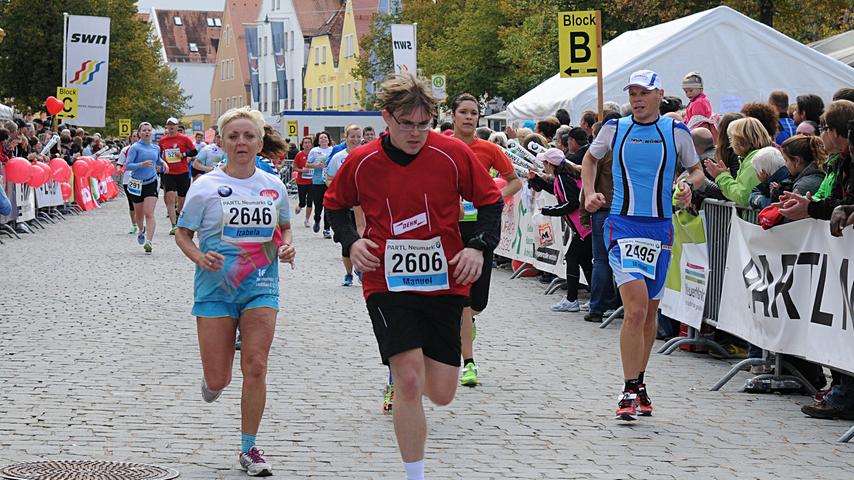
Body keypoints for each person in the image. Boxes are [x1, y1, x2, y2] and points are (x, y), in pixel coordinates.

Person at [324, 73, 503, 480]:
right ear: (387, 118)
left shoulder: (453, 153)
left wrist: (477, 246)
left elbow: (490, 201)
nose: (416, 133)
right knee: (407, 381)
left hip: (445, 281)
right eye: (406, 124)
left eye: (424, 124)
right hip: (386, 281)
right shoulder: (363, 160)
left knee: (440, 393)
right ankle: (414, 474)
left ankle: (414, 368)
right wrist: (352, 242)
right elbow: (335, 206)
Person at [174, 107, 295, 477]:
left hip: (261, 285)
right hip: (215, 287)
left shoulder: (273, 185)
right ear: (222, 142)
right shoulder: (205, 186)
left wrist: (287, 246)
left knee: (256, 364)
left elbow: (285, 228)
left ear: (260, 142)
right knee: (218, 379)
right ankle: (213, 381)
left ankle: (249, 447)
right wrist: (199, 257)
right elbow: (183, 234)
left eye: (248, 136)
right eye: (233, 137)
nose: (241, 142)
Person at [581, 70, 703, 421]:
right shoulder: (615, 128)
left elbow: (697, 171)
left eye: (644, 92)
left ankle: (640, 381)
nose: (637, 99)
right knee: (634, 310)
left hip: (661, 229)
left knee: (650, 312)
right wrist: (589, 192)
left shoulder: (676, 132)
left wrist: (686, 185)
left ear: (659, 94)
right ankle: (627, 387)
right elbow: (590, 158)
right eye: (632, 92)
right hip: (622, 226)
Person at [451, 92, 522, 387]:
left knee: (478, 301)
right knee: (463, 299)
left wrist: (492, 198)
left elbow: (515, 181)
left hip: (483, 226)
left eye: (474, 113)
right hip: (452, 228)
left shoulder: (489, 149)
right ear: (453, 116)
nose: (469, 117)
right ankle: (468, 362)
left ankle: (469, 322)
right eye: (464, 112)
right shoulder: (442, 145)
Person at [529, 148, 591, 312]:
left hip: (584, 227)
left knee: (572, 258)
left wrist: (548, 210)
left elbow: (571, 203)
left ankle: (572, 300)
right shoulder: (563, 176)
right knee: (584, 261)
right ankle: (595, 298)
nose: (543, 165)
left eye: (544, 162)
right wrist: (537, 181)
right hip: (584, 227)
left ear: (550, 164)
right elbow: (555, 191)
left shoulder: (563, 178)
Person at [779, 99, 854, 222]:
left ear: (834, 132)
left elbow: (847, 203)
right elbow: (834, 199)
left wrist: (810, 207)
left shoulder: (846, 159)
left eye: (823, 128)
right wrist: (809, 203)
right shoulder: (841, 159)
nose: (820, 134)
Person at [580, 121, 621, 323]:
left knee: (602, 260)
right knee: (621, 262)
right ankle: (617, 304)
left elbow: (589, 185)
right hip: (618, 209)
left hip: (603, 209)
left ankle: (597, 307)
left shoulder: (599, 154)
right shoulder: (623, 150)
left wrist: (584, 212)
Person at [326, 124, 365, 286]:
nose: (355, 139)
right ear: (346, 138)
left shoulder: (367, 155)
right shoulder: (338, 158)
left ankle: (361, 270)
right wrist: (341, 190)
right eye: (352, 136)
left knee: (363, 237)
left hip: (363, 206)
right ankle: (349, 273)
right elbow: (328, 180)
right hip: (343, 206)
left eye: (358, 136)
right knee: (347, 241)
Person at [704, 117, 772, 207]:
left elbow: (743, 197)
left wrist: (722, 177)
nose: (731, 144)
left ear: (741, 140)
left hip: (756, 219)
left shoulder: (755, 160)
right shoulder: (759, 156)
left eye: (731, 139)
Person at [125, 122, 169, 254]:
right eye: (144, 130)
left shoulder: (156, 148)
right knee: (139, 214)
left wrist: (164, 163)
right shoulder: (135, 148)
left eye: (149, 130)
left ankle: (149, 242)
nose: (147, 132)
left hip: (151, 182)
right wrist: (141, 164)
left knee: (149, 213)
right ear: (139, 133)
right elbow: (128, 166)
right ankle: (141, 229)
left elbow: (158, 160)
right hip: (137, 183)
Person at [159, 117, 198, 235]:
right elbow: (159, 154)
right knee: (170, 196)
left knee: (182, 199)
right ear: (167, 127)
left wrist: (183, 154)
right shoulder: (162, 140)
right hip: (168, 172)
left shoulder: (184, 138)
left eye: (173, 125)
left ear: (177, 126)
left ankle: (180, 219)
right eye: (169, 125)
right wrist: (159, 164)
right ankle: (173, 224)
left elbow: (194, 151)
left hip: (182, 172)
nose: (171, 127)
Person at [306, 131, 333, 238]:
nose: (323, 139)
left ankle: (327, 229)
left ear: (328, 139)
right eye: (321, 138)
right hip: (317, 181)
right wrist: (316, 166)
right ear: (318, 140)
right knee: (318, 205)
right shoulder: (314, 151)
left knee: (328, 206)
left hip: (329, 181)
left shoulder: (332, 150)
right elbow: (307, 164)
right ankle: (317, 219)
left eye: (325, 137)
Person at [116, 130, 140, 234]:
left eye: (136, 136)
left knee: (140, 203)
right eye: (133, 136)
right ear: (130, 138)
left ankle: (141, 223)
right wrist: (118, 169)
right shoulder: (125, 150)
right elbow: (119, 163)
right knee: (132, 203)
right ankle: (134, 224)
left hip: (140, 179)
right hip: (128, 179)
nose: (135, 138)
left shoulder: (143, 149)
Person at [293, 136, 314, 227]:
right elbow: (294, 167)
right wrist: (302, 171)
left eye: (309, 142)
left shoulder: (314, 154)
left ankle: (307, 219)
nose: (307, 144)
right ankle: (300, 206)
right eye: (305, 143)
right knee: (303, 201)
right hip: (301, 181)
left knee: (310, 201)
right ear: (302, 144)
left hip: (312, 181)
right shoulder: (299, 154)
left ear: (312, 144)